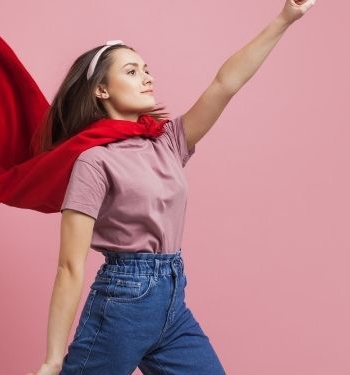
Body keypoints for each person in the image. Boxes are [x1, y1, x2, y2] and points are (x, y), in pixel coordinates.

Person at [25, 1, 317, 374]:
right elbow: (69, 265)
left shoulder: (167, 142)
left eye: (147, 70)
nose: (147, 77)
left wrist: (284, 19)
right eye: (132, 71)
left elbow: (225, 84)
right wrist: (52, 359)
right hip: (123, 303)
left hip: (172, 299)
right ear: (101, 90)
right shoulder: (93, 162)